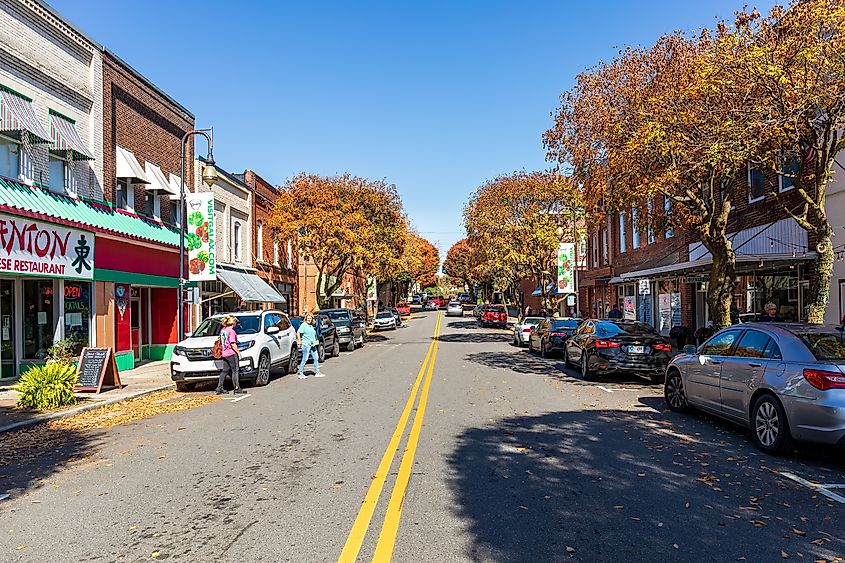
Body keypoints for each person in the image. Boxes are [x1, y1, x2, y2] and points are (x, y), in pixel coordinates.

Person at [216, 316, 244, 395]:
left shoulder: (223, 330)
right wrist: (238, 353)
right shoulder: (231, 331)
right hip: (231, 353)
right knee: (235, 370)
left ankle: (220, 387)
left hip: (224, 353)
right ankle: (237, 388)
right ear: (233, 322)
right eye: (235, 321)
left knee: (224, 371)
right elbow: (233, 343)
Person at [296, 312, 324, 379]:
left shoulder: (311, 326)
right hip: (306, 344)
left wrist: (315, 340)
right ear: (306, 318)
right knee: (305, 358)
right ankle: (300, 373)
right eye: (308, 318)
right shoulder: (304, 325)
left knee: (316, 358)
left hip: (312, 344)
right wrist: (299, 341)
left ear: (312, 319)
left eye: (310, 318)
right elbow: (298, 332)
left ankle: (317, 372)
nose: (309, 319)